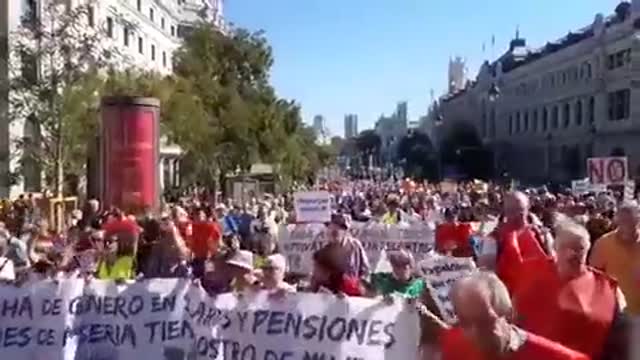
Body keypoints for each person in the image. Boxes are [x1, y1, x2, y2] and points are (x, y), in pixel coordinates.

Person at [515, 217, 628, 359]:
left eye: (579, 248)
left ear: (587, 250)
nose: (571, 254)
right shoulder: (531, 274)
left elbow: (621, 336)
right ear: (555, 248)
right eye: (565, 247)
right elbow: (514, 320)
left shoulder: (608, 287)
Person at [419, 272, 590, 360]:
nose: (475, 333)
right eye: (464, 322)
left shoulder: (559, 358)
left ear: (507, 314)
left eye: (484, 322)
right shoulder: (453, 345)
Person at [479, 191, 552, 295]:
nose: (518, 215)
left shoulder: (541, 234)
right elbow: (485, 271)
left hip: (540, 295)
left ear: (528, 208)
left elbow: (554, 262)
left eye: (521, 210)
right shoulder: (493, 238)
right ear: (505, 211)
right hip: (510, 298)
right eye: (512, 211)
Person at [590, 201, 640, 316]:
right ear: (617, 220)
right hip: (616, 312)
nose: (627, 225)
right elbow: (594, 279)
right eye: (623, 221)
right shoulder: (603, 244)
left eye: (631, 221)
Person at [323, 213, 370, 279]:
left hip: (351, 286)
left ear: (346, 231)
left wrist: (358, 285)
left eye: (336, 231)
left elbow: (365, 270)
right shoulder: (325, 249)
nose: (331, 232)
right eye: (329, 228)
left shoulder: (355, 246)